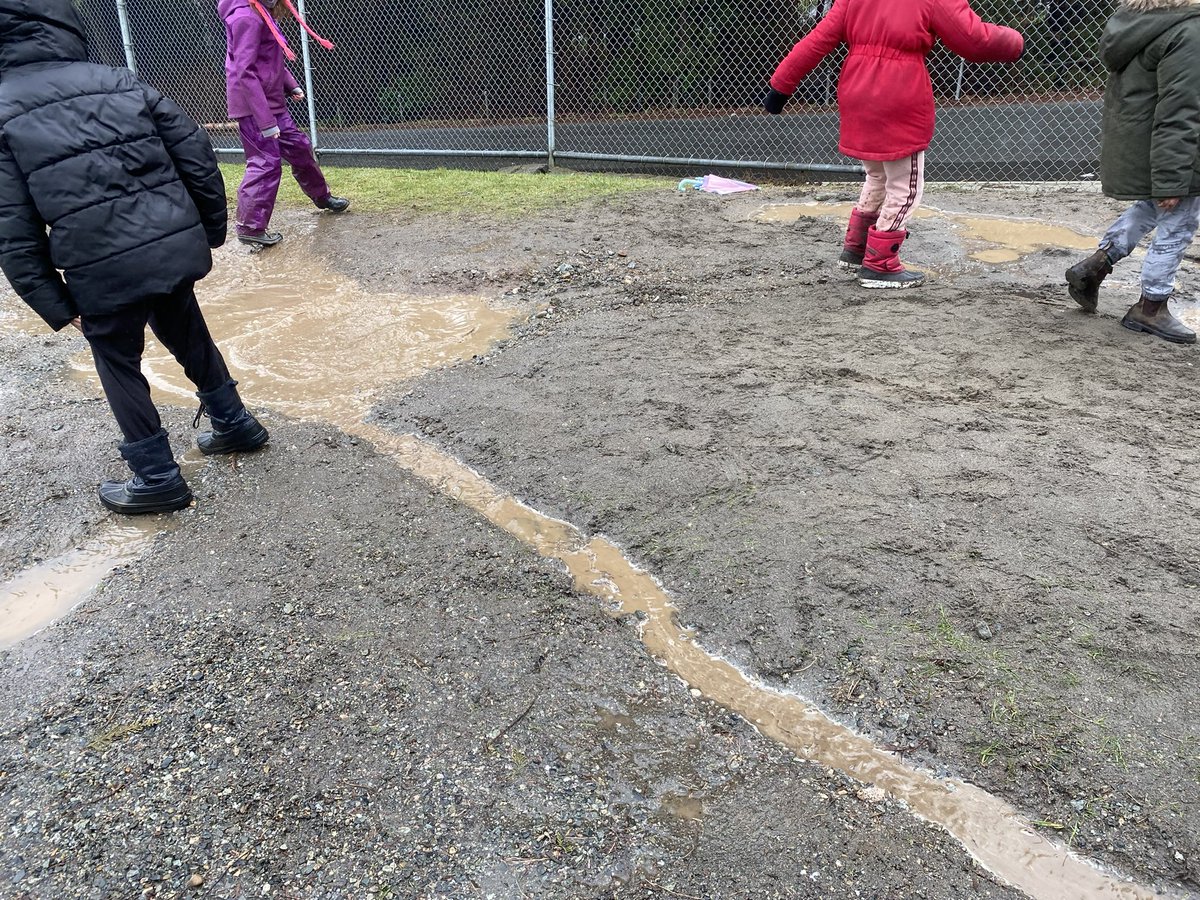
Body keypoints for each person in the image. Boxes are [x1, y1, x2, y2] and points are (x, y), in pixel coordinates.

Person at [0, 0, 269, 515]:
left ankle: (157, 477)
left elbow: (13, 227)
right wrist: (207, 233)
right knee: (185, 323)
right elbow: (197, 156)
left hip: (99, 265)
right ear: (64, 26)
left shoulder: (5, 109)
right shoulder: (123, 81)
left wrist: (54, 302)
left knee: (117, 358)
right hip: (168, 244)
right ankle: (234, 422)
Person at [763, 0, 1024, 288]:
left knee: (877, 176)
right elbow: (973, 40)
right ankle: (880, 264)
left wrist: (780, 86)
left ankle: (856, 249)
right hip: (898, 95)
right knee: (907, 186)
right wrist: (1014, 42)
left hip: (858, 92)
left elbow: (817, 40)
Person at [1064, 0, 1200, 345]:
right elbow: (1179, 111)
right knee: (1179, 221)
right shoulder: (1189, 30)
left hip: (1144, 145)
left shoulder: (1139, 22)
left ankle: (1095, 265)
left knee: (1153, 207)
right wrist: (1170, 178)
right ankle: (1151, 307)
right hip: (1172, 151)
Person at [220, 0, 349, 248]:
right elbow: (244, 70)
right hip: (254, 107)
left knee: (300, 147)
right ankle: (251, 228)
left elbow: (269, 58)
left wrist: (290, 85)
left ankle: (322, 197)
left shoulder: (263, 12)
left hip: (271, 101)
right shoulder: (245, 17)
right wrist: (266, 122)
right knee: (265, 163)